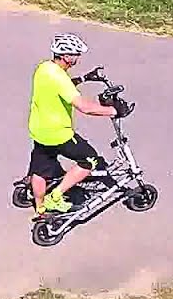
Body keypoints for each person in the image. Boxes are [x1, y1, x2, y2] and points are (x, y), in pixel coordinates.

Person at [26, 32, 122, 218]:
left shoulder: (44, 68)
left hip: (39, 130)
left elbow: (59, 84)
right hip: (59, 134)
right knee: (90, 160)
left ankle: (40, 207)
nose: (78, 58)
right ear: (67, 57)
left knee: (40, 169)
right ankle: (55, 196)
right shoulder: (61, 79)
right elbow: (84, 107)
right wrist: (114, 111)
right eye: (76, 55)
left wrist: (84, 79)